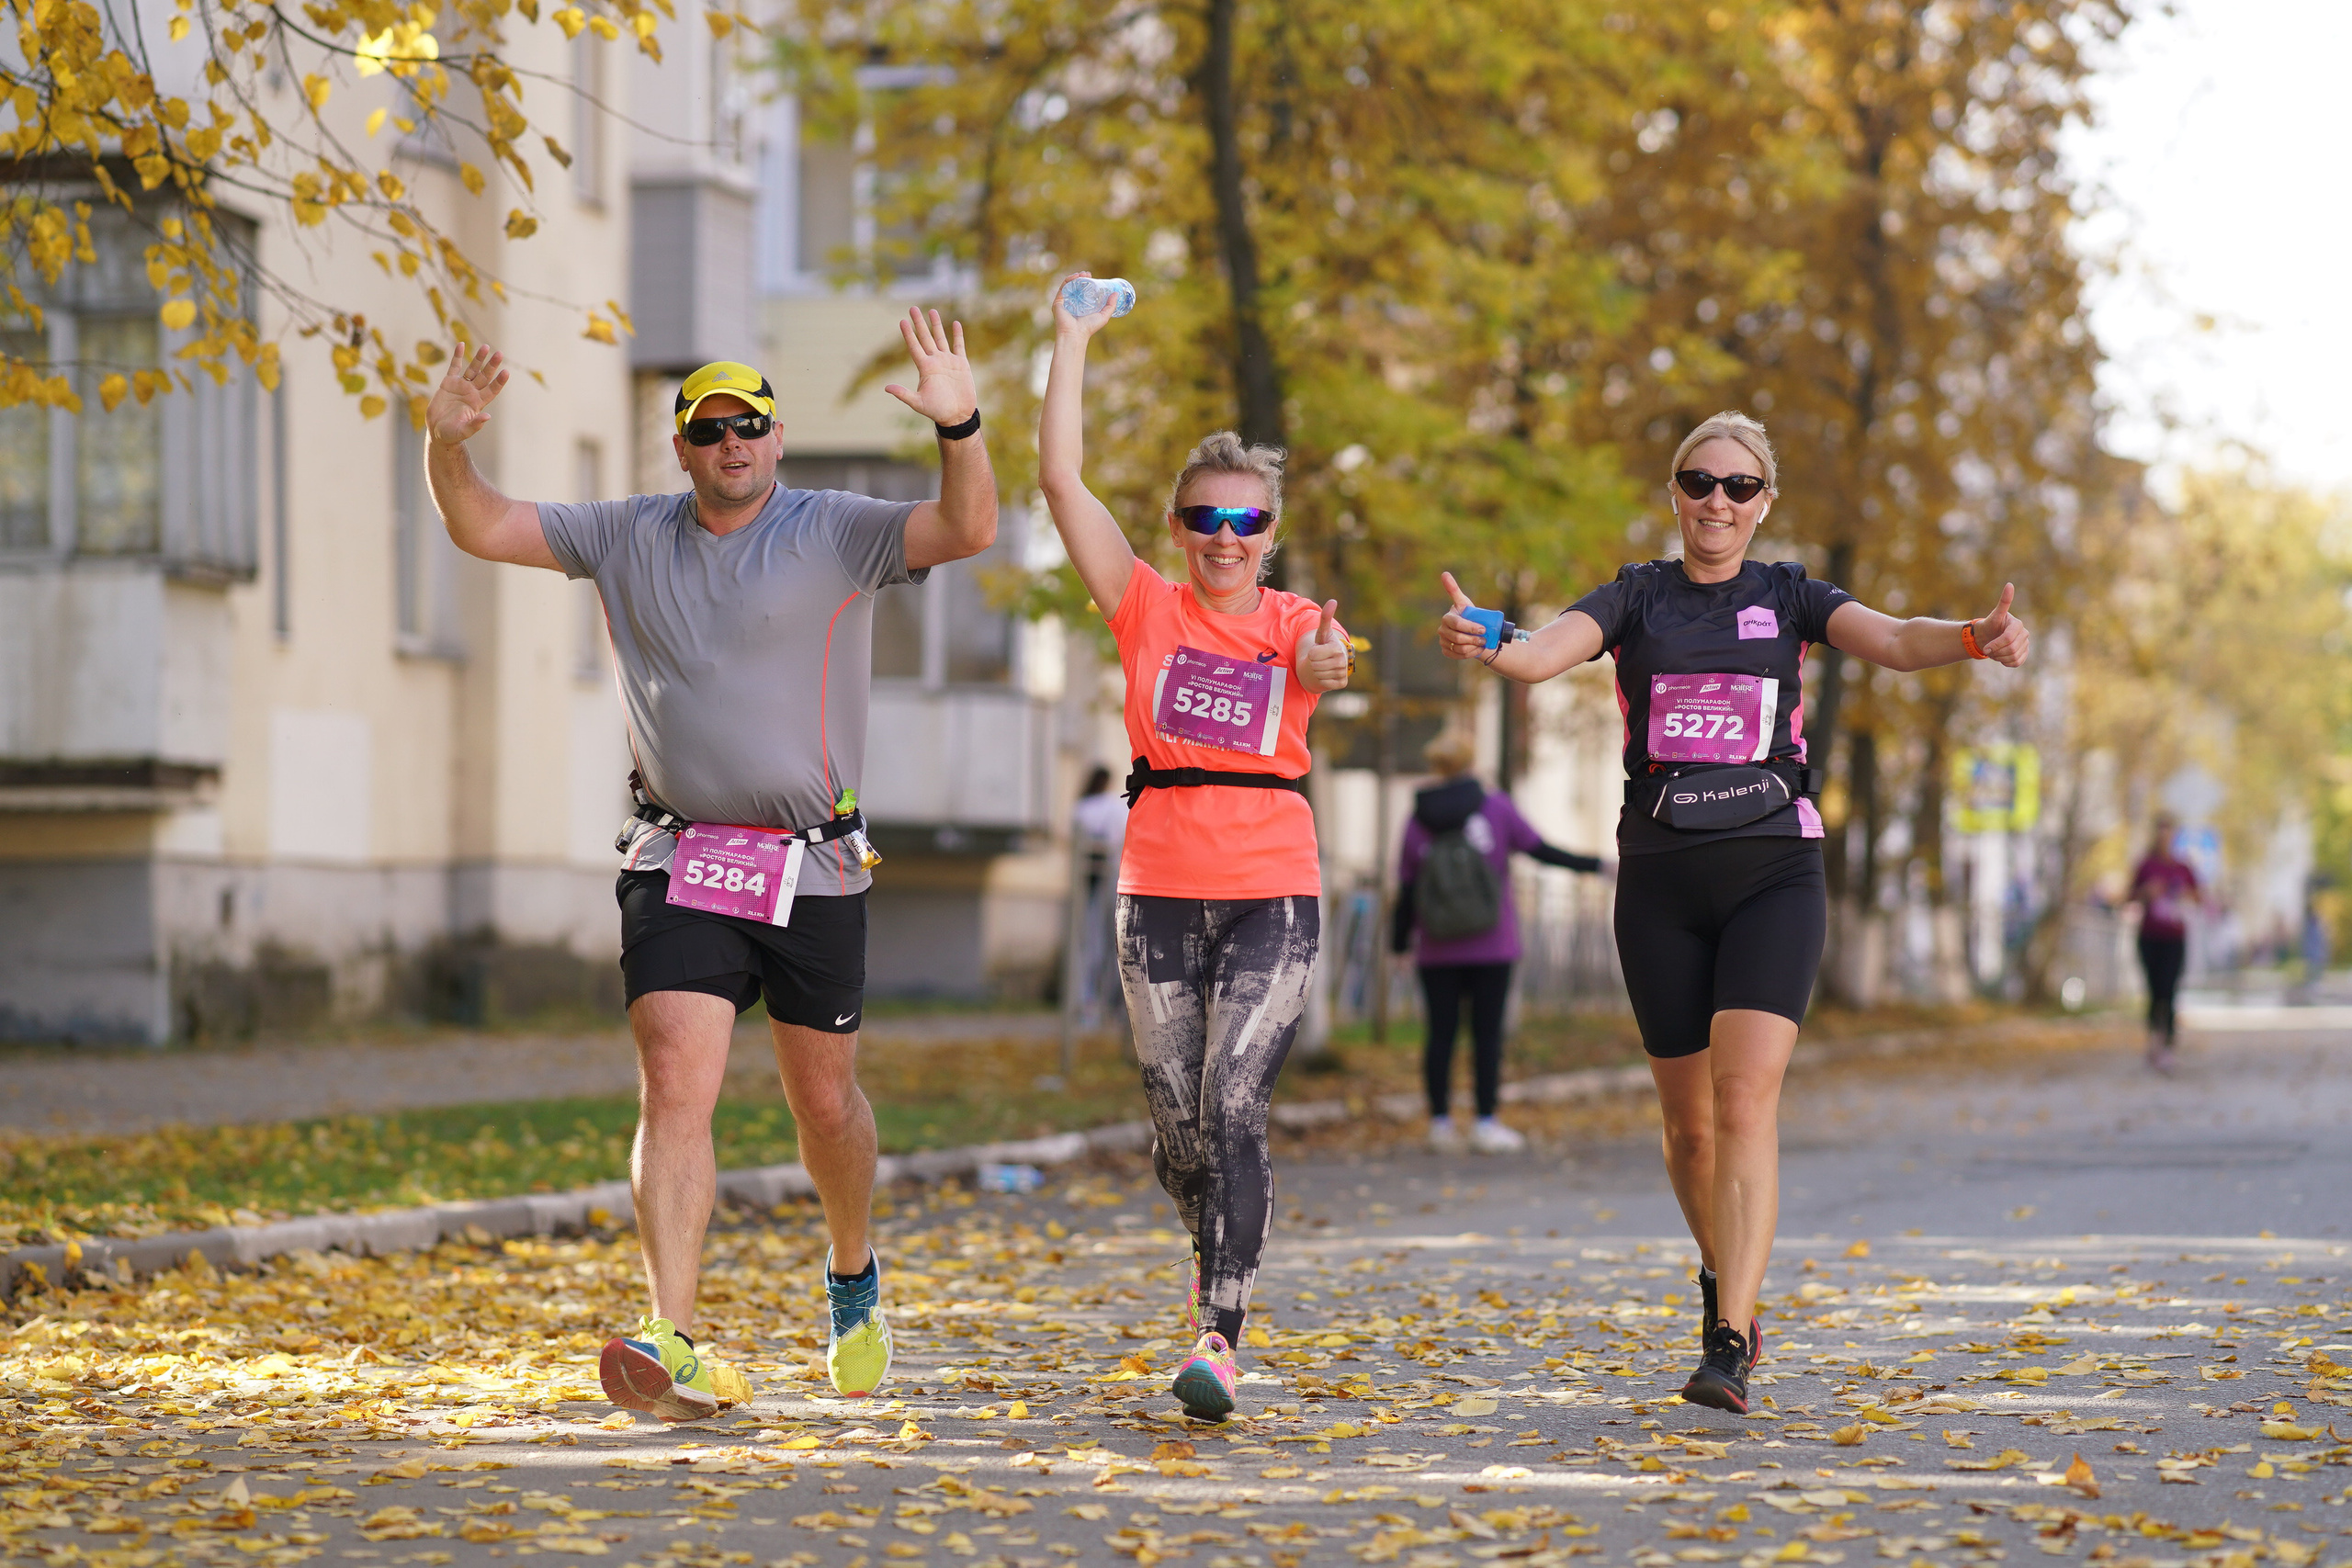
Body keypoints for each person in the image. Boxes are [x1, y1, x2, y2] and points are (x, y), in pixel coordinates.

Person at [424, 310, 998, 1419]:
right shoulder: (626, 532)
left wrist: (959, 423)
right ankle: (673, 1334)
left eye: (751, 426)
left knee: (823, 1106)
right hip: (681, 853)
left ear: (778, 441)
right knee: (674, 1085)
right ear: (681, 448)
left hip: (814, 863)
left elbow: (968, 529)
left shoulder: (837, 527)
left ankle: (850, 1271)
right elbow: (484, 525)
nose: (731, 443)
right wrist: (448, 443)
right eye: (709, 428)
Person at [1434, 410, 2028, 1415]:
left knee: (1744, 1099)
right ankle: (1727, 1279)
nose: (1717, 501)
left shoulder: (1788, 594)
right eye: (1698, 483)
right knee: (1689, 1129)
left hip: (1770, 871)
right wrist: (1488, 637)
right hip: (1660, 878)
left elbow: (1889, 638)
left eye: (1738, 486)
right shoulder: (1637, 596)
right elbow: (1542, 653)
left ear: (1764, 503)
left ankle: (1727, 1345)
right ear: (1674, 493)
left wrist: (1971, 636)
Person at [1037, 271, 1353, 1420]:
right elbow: (1059, 480)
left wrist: (1323, 670)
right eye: (1205, 519)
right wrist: (1070, 339)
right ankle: (1215, 1244)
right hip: (1156, 886)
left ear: (1271, 536)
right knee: (1178, 1132)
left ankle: (1218, 1336)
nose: (1225, 538)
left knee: (1232, 1105)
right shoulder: (1143, 607)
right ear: (1179, 529)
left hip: (1272, 883)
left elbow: (1328, 667)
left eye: (1247, 521)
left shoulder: (1298, 624)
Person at [1392, 729, 1603, 1155]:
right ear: (1471, 765)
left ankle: (1440, 1124)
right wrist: (1596, 864)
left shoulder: (1418, 817)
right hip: (1493, 944)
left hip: (1437, 946)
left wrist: (1398, 945)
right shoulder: (1495, 807)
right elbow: (1541, 850)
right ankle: (1486, 1123)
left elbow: (1409, 888)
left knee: (1440, 1034)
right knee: (1487, 1035)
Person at [2127, 816, 2199, 1072]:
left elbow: (2199, 897)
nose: (2164, 837)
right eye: (2160, 831)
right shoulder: (2146, 866)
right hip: (2149, 937)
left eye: (2169, 832)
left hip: (2175, 937)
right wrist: (2146, 893)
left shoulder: (2182, 868)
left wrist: (2184, 894)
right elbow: (2129, 896)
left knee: (2169, 990)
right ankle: (2153, 1043)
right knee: (2154, 991)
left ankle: (2167, 1044)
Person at [1069, 764, 1129, 1024]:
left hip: (1089, 883)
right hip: (1118, 881)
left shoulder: (1082, 808)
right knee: (1115, 946)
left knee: (1089, 945)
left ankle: (1088, 1006)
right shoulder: (1116, 807)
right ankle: (1112, 1008)